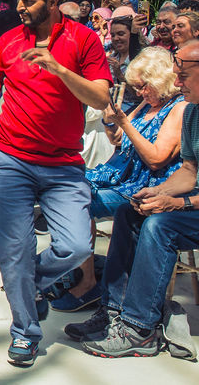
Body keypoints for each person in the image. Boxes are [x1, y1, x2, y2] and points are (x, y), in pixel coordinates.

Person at [0, 0, 112, 368]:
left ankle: (29, 283)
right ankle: (25, 332)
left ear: (53, 2)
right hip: (9, 159)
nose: (18, 7)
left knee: (75, 245)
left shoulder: (84, 40)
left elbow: (99, 99)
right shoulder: (7, 41)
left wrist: (59, 68)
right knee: (14, 250)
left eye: (27, 1)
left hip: (63, 164)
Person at [65, 38, 199, 358]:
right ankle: (113, 312)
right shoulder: (194, 112)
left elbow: (159, 162)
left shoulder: (181, 110)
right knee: (129, 211)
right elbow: (190, 172)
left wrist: (178, 203)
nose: (177, 83)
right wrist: (159, 191)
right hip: (184, 199)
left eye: (183, 75)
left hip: (190, 206)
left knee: (158, 226)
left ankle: (140, 327)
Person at [52, 46, 186, 312]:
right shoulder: (147, 104)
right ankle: (77, 270)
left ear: (159, 80)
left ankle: (88, 281)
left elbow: (157, 158)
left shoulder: (178, 108)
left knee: (79, 199)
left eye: (144, 86)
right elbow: (117, 141)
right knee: (63, 187)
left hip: (147, 184)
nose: (140, 92)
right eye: (137, 87)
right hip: (120, 175)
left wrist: (124, 123)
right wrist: (110, 122)